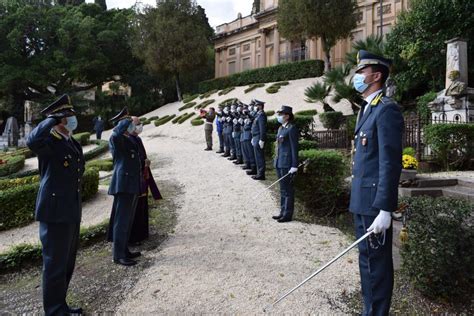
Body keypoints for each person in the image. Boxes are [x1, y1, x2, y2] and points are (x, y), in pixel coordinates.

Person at [350, 50, 404, 316]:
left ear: (376, 75)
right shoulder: (367, 109)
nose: (357, 76)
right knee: (367, 264)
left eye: (361, 72)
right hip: (362, 201)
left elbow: (389, 163)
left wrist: (385, 209)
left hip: (374, 205)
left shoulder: (386, 110)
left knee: (377, 268)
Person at [27, 94, 84, 315]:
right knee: (54, 265)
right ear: (60, 120)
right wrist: (52, 119)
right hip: (54, 212)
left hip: (70, 209)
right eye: (68, 116)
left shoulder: (69, 140)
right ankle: (54, 310)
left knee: (66, 263)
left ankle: (61, 305)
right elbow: (32, 141)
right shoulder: (49, 141)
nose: (72, 120)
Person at [108, 116, 162, 244]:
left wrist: (145, 163)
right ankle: (129, 240)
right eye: (135, 124)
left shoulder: (134, 139)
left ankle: (139, 235)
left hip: (139, 177)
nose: (138, 126)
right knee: (127, 214)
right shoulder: (120, 139)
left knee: (138, 208)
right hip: (128, 181)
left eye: (138, 123)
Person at [108, 107, 142, 266]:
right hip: (123, 184)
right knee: (121, 221)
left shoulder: (127, 137)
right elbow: (116, 134)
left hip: (130, 183)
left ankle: (124, 249)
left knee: (127, 220)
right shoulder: (116, 137)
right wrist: (125, 121)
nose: (131, 125)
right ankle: (118, 255)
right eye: (128, 122)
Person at [272, 105, 299, 223]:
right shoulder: (281, 129)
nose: (279, 116)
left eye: (281, 114)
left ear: (287, 116)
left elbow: (294, 148)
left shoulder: (291, 129)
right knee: (282, 189)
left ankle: (287, 214)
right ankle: (282, 211)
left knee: (288, 190)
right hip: (279, 162)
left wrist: (294, 165)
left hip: (287, 163)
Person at [250, 99, 267, 180]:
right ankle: (258, 173)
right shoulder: (258, 115)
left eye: (257, 105)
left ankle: (261, 174)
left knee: (259, 156)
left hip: (258, 137)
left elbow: (262, 128)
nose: (255, 107)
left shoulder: (262, 115)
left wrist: (262, 139)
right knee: (257, 156)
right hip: (255, 137)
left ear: (260, 106)